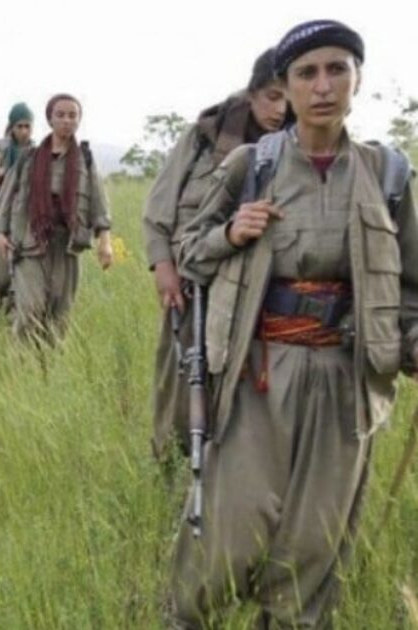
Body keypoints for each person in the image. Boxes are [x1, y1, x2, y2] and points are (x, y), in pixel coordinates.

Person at [171, 21, 417, 628]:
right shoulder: (251, 166)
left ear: (357, 79)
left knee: (314, 542)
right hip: (258, 375)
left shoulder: (388, 176)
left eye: (338, 69)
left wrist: (412, 343)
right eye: (307, 73)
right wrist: (232, 232)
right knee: (229, 533)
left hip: (347, 379)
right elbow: (188, 250)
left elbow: (410, 285)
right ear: (284, 87)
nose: (323, 85)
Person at [144, 48, 288, 461]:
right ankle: (170, 471)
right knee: (181, 387)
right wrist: (163, 265)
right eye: (271, 97)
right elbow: (160, 206)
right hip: (193, 281)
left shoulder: (296, 147)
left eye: (286, 98)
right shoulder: (205, 135)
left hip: (259, 290)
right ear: (252, 91)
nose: (280, 110)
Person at [0, 95, 113, 345]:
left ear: (79, 120)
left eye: (72, 115)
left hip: (67, 246)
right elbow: (6, 195)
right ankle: (20, 365)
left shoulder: (84, 159)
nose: (66, 120)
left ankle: (49, 371)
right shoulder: (30, 158)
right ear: (49, 119)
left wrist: (105, 241)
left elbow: (98, 202)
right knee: (30, 311)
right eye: (60, 115)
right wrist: (0, 233)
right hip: (30, 242)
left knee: (60, 317)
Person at [0, 103, 37, 314]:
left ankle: (13, 317)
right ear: (11, 126)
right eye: (19, 126)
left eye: (28, 127)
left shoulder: (37, 154)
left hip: (24, 219)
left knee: (22, 275)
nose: (24, 131)